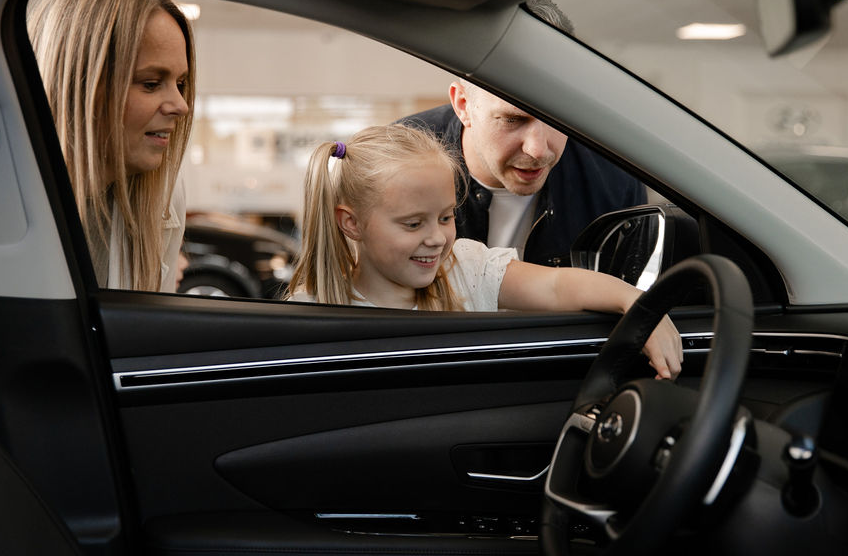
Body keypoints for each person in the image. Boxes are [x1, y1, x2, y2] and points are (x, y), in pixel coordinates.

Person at [286, 125, 682, 379]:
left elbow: (557, 285)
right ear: (351, 223)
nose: (437, 238)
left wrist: (636, 304)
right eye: (413, 223)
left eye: (445, 217)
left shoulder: (464, 268)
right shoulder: (310, 307)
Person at [398, 0, 646, 268]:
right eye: (513, 120)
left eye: (559, 117)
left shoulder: (614, 178)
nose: (539, 150)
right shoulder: (395, 161)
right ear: (463, 105)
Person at [27, 0, 196, 292]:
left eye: (181, 84)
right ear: (80, 86)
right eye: (150, 83)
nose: (181, 106)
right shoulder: (1, 202)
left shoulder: (163, 197)